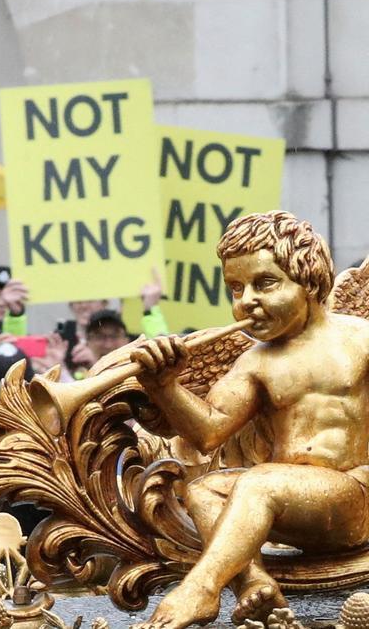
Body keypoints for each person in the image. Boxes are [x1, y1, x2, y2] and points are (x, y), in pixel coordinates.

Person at [131, 212, 369, 629]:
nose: (247, 301)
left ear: (309, 281)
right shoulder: (254, 363)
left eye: (265, 283)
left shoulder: (359, 340)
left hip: (356, 500)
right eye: (236, 288)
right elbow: (208, 433)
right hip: (291, 504)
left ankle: (201, 588)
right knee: (206, 491)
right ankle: (252, 582)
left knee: (259, 481)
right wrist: (163, 387)